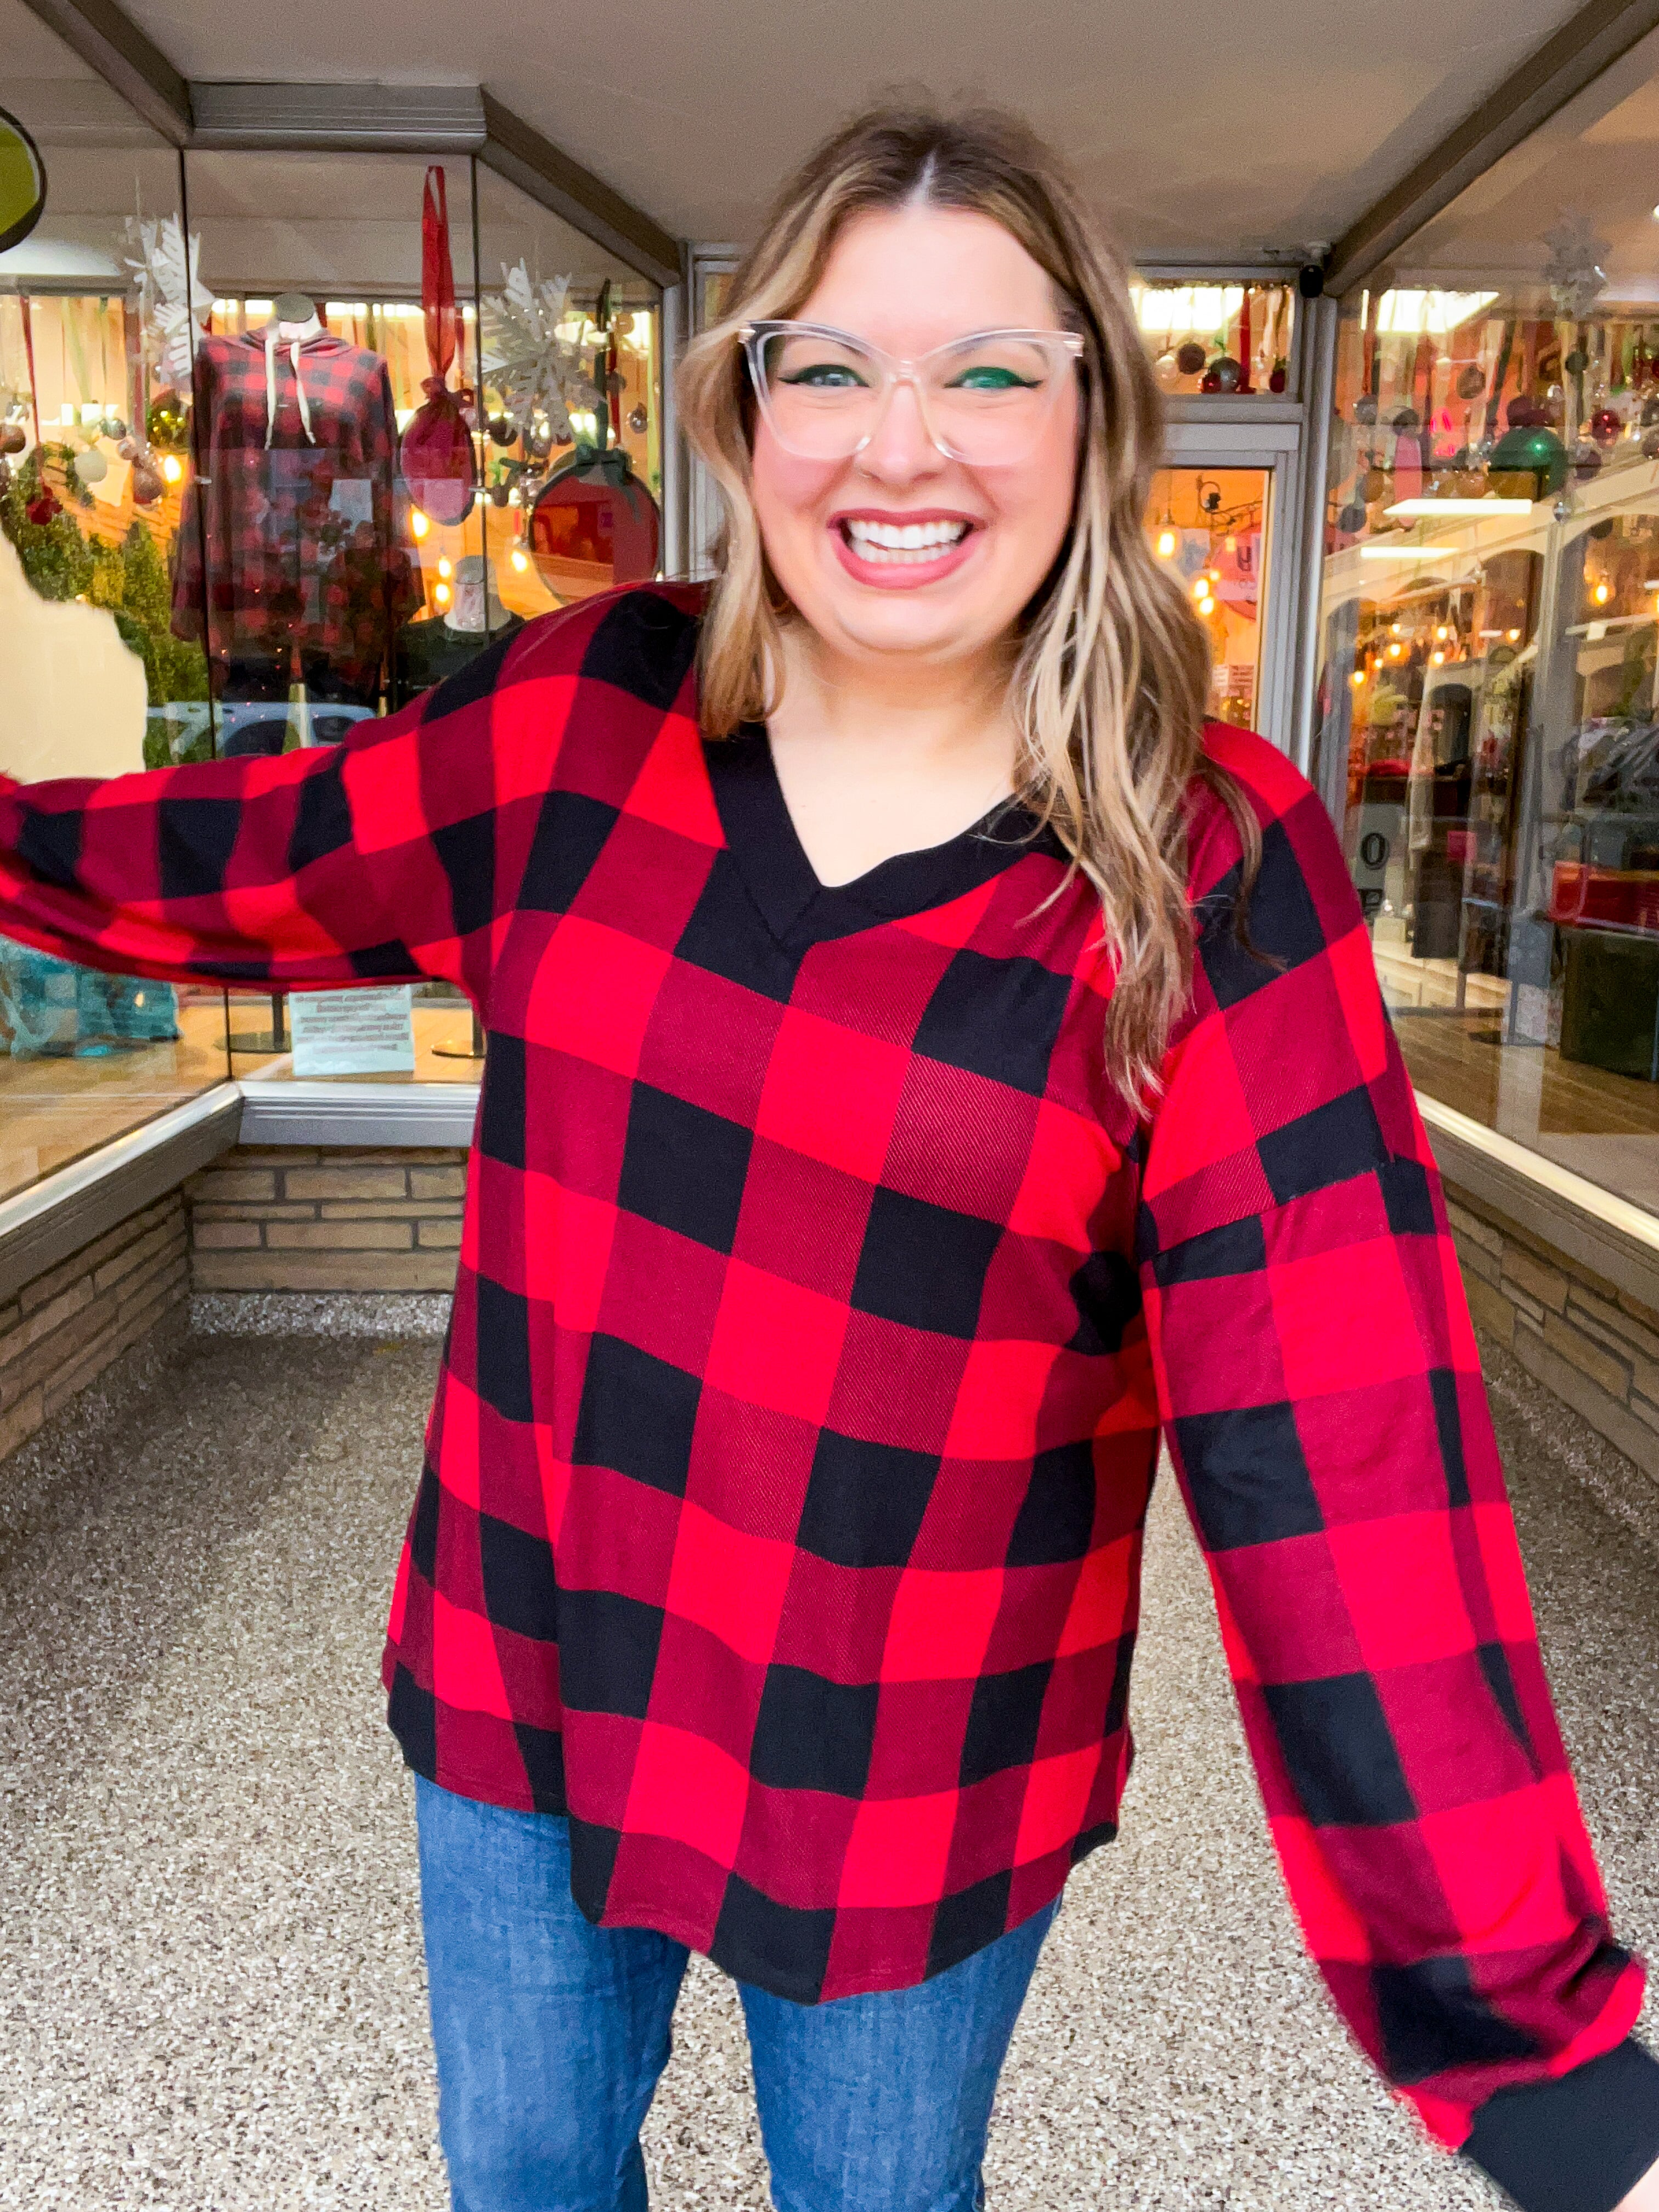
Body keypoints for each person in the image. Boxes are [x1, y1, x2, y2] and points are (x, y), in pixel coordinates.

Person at [0, 101, 1655, 2212]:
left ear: (1094, 423)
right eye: (835, 367)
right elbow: (234, 866)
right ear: (745, 403)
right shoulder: (578, 720)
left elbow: (1345, 1458)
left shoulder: (1206, 864)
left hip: (919, 1767)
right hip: (535, 1677)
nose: (903, 448)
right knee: (523, 2179)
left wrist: (1531, 2034)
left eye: (988, 372)